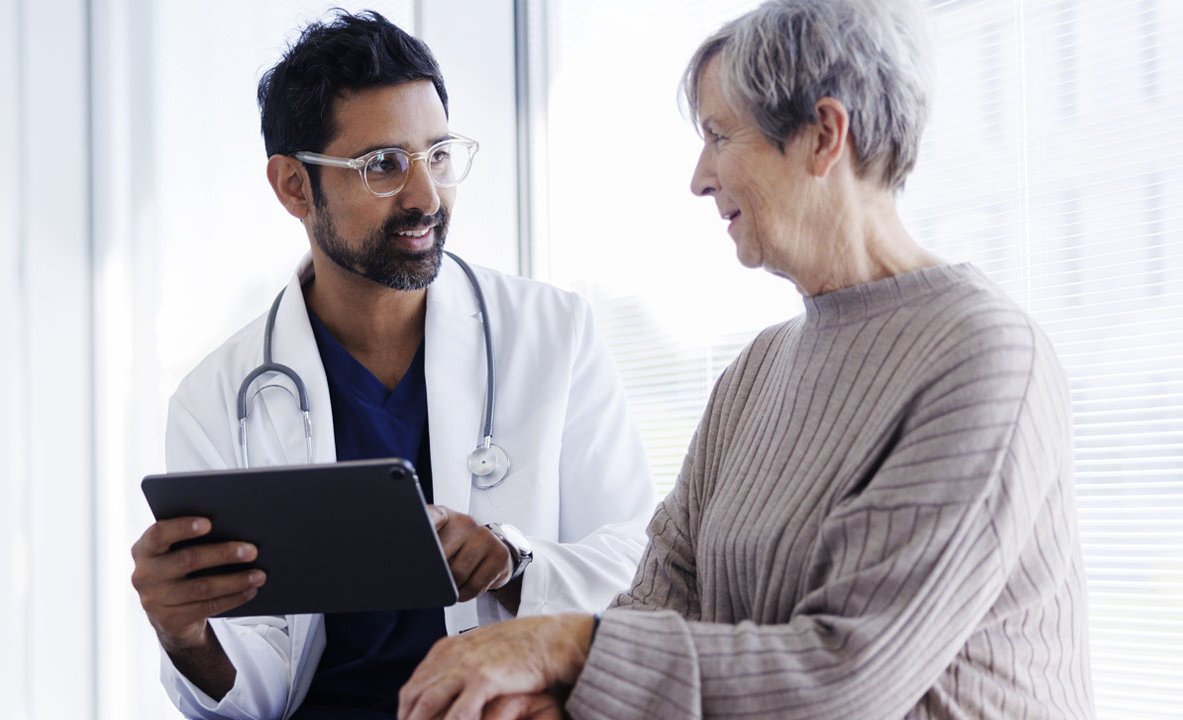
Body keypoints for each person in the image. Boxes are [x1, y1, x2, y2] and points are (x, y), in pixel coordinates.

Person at [397, 1, 1095, 718]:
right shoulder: (757, 372)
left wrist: (561, 647)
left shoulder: (983, 359)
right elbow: (656, 605)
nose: (700, 178)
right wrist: (555, 702)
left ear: (824, 135)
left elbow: (846, 674)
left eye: (719, 135)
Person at [128, 10, 655, 720]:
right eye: (382, 165)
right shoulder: (215, 399)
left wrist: (515, 561)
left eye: (437, 155)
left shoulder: (553, 334)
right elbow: (254, 686)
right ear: (292, 186)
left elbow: (641, 568)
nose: (425, 197)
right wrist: (184, 633)